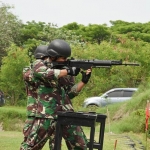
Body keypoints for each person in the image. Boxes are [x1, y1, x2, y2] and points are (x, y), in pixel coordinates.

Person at [20, 39, 91, 150]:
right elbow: (46, 73)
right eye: (63, 58)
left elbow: (68, 93)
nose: (65, 60)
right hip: (45, 115)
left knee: (81, 146)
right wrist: (68, 71)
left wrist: (83, 81)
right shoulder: (38, 65)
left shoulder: (62, 70)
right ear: (53, 56)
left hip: (65, 113)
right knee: (31, 147)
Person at [20, 45, 49, 149]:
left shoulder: (48, 72)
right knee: (29, 143)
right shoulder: (29, 70)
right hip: (34, 113)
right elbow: (34, 79)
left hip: (46, 113)